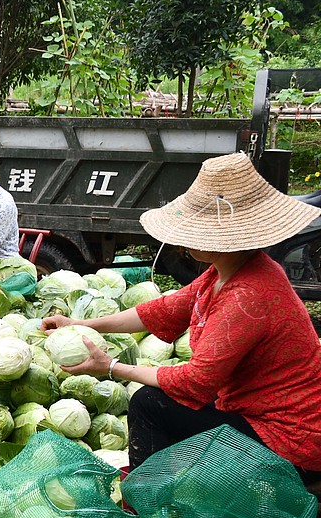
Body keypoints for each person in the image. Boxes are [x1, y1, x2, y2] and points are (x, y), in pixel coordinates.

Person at [42, 153, 321, 471]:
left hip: (287, 437)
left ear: (220, 238)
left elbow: (195, 381)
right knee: (172, 404)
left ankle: (148, 496)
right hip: (253, 410)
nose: (183, 239)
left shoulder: (247, 296)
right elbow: (163, 310)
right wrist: (79, 323)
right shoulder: (229, 270)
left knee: (150, 403)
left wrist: (112, 367)